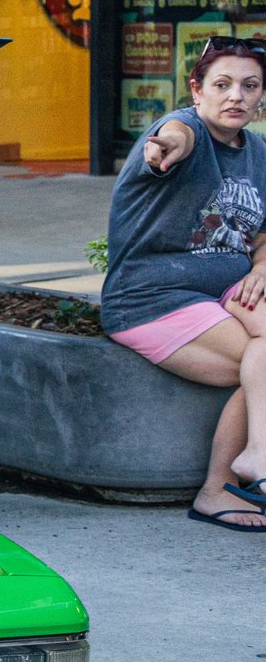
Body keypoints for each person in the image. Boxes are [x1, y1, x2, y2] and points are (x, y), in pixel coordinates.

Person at [101, 38, 266, 531]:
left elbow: (262, 235)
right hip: (151, 297)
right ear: (196, 90)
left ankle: (253, 458)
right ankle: (222, 486)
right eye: (222, 84)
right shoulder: (183, 129)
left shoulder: (258, 153)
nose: (236, 95)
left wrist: (260, 268)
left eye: (250, 86)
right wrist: (163, 149)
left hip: (223, 292)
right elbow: (173, 137)